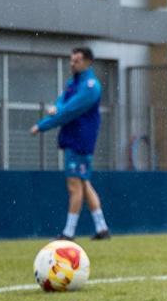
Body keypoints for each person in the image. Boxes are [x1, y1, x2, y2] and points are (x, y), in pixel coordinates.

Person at [31, 46, 110, 241]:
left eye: (76, 60)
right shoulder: (72, 83)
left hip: (80, 141)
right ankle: (102, 228)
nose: (72, 63)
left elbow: (69, 111)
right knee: (83, 182)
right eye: (71, 60)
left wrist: (42, 126)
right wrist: (54, 108)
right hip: (74, 139)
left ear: (87, 62)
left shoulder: (91, 87)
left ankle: (69, 232)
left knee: (74, 184)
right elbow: (62, 103)